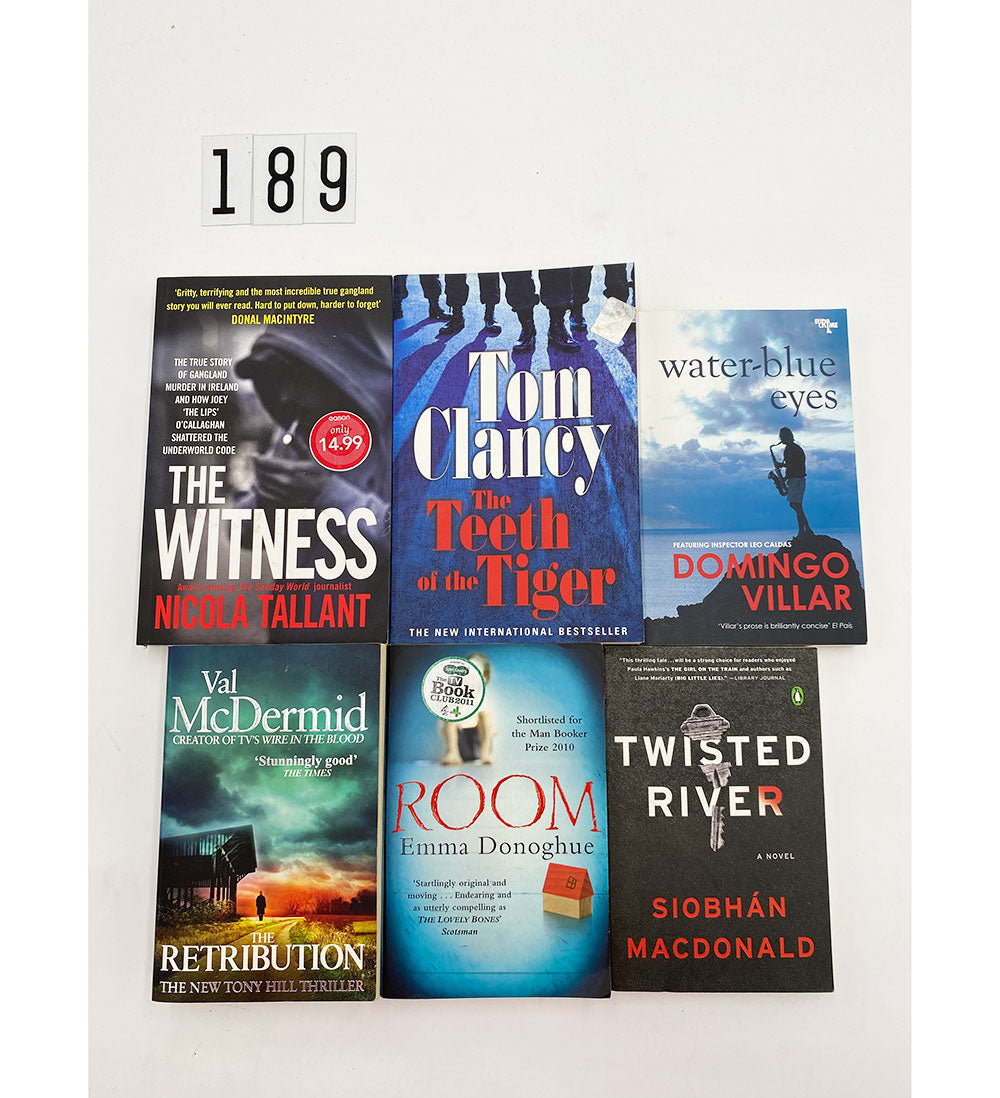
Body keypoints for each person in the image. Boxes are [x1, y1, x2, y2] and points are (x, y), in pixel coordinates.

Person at [440, 653, 495, 765]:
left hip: (478, 744)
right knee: (450, 715)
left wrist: (491, 729)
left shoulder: (483, 697)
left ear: (484, 678)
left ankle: (485, 753)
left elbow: (489, 726)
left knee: (485, 715)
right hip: (460, 745)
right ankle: (452, 752)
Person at [776, 427, 813, 537]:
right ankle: (803, 531)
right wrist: (785, 477)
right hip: (795, 479)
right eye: (780, 436)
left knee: (796, 506)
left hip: (797, 480)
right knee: (796, 505)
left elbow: (795, 465)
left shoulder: (793, 449)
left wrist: (781, 465)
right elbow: (793, 466)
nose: (781, 439)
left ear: (787, 436)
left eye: (782, 436)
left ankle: (806, 530)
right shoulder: (790, 448)